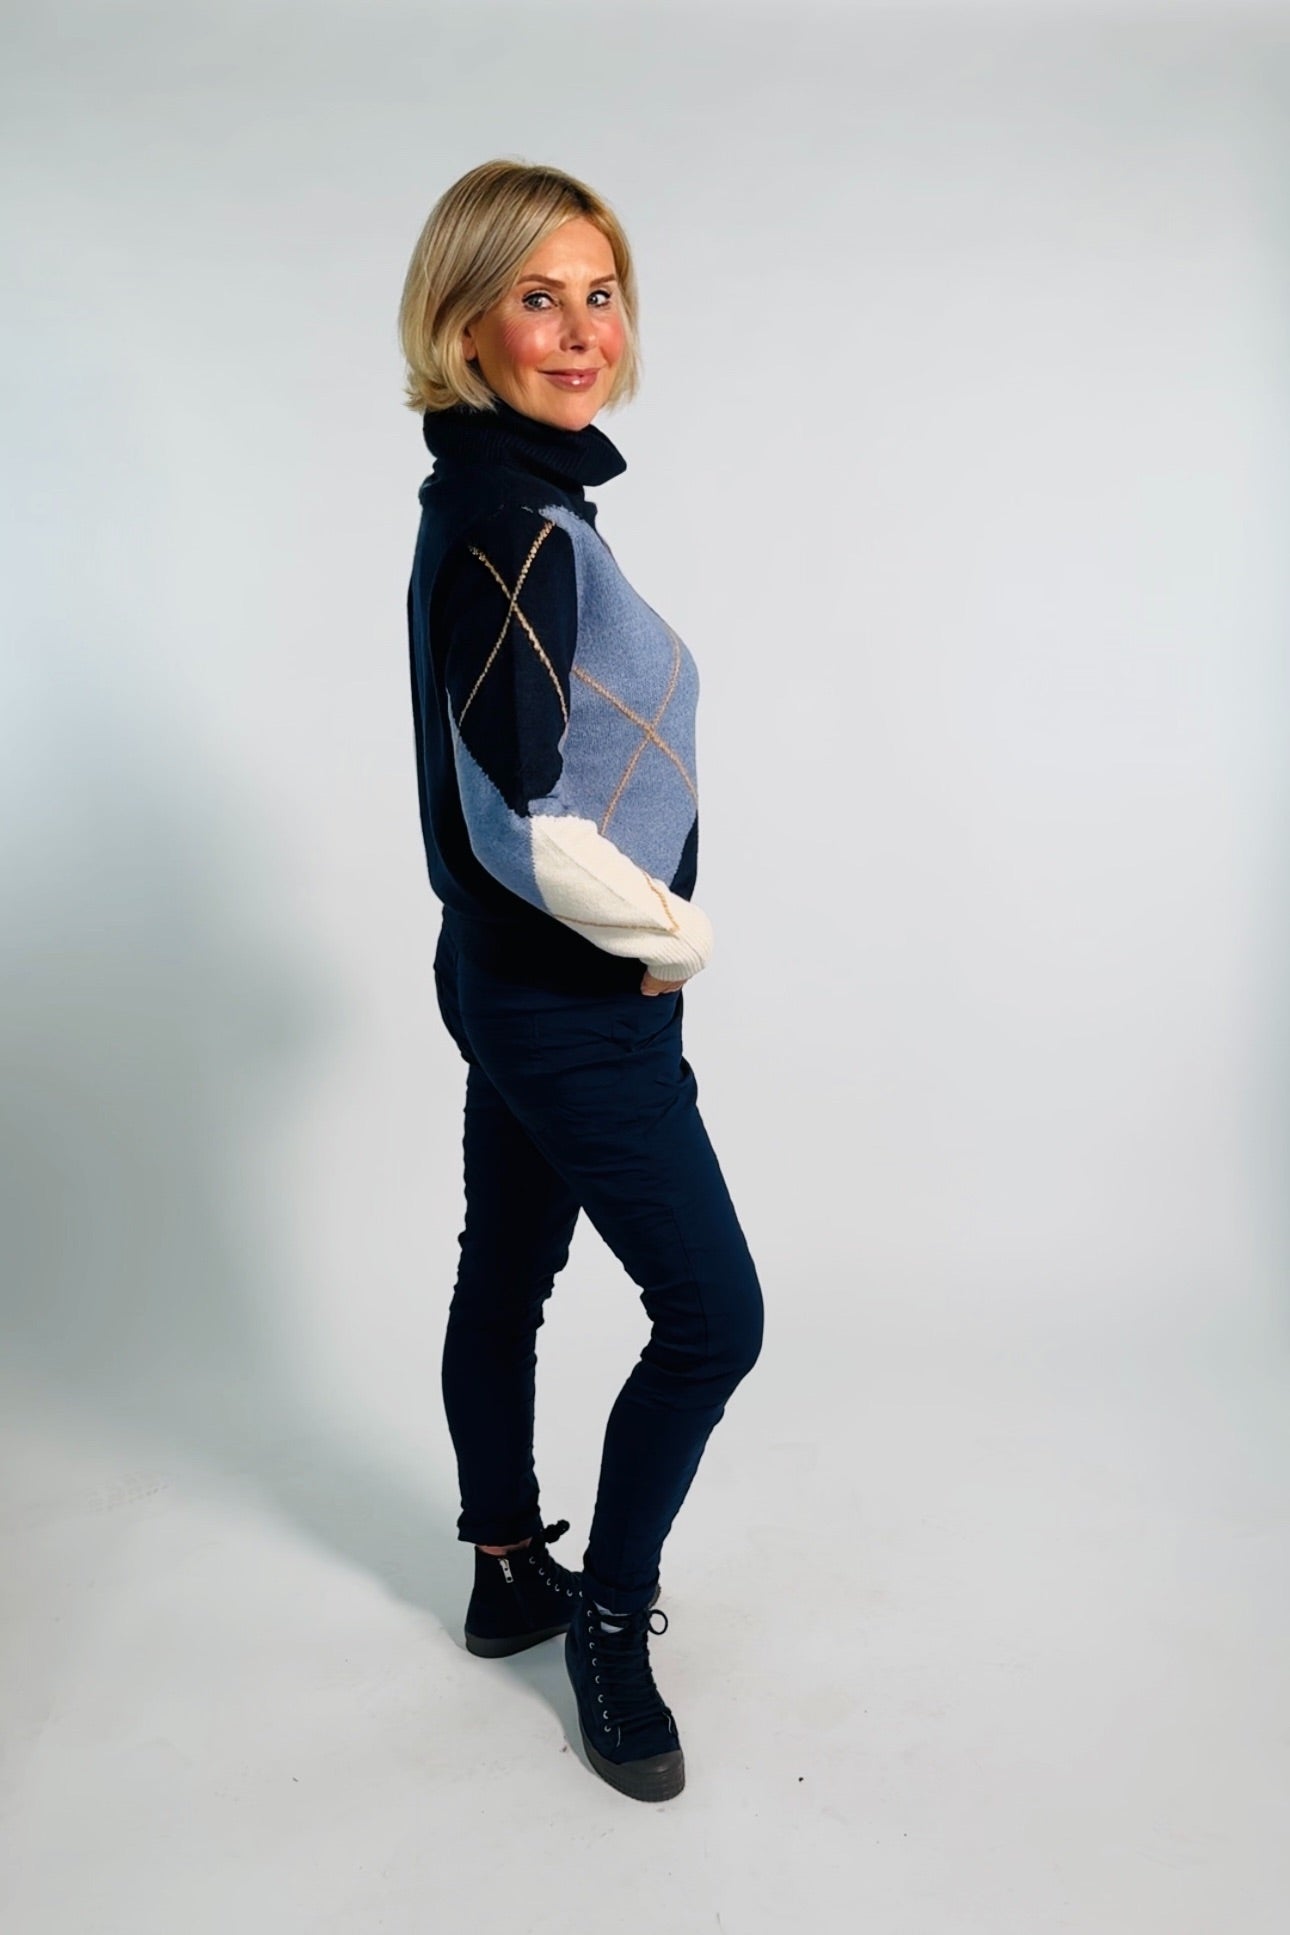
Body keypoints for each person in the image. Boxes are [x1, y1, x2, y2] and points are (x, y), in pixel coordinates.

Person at [398, 159, 764, 1804]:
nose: (577, 331)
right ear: (463, 324)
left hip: (505, 982)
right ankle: (606, 1623)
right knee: (713, 1322)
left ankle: (504, 1574)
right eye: (535, 299)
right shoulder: (506, 520)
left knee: (508, 1270)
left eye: (598, 295)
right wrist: (672, 938)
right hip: (563, 1000)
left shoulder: (503, 499)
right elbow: (513, 816)